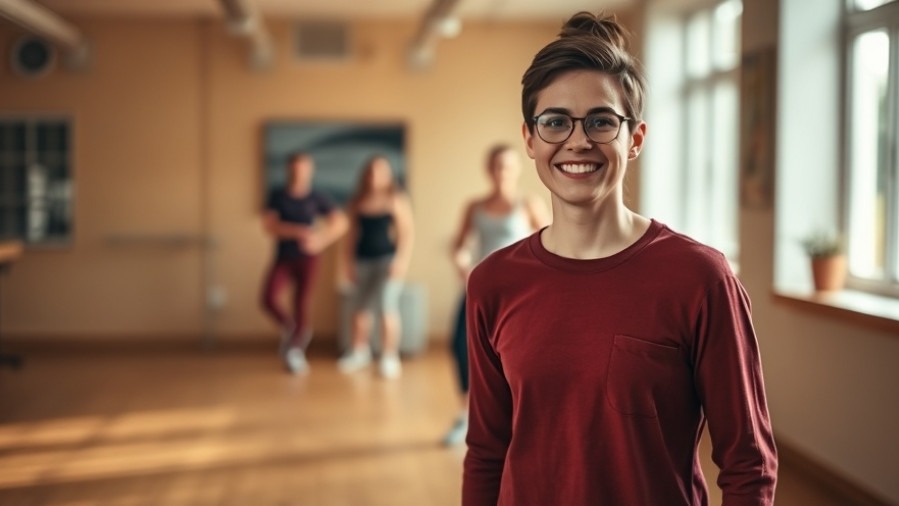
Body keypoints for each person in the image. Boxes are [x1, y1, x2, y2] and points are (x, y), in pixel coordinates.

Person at [462, 12, 778, 505]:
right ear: (530, 138)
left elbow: (748, 464)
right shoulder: (493, 283)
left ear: (634, 139)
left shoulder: (700, 278)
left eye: (601, 121)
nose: (578, 140)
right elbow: (486, 451)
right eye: (555, 122)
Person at [442, 144, 549, 446]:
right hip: (479, 289)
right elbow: (458, 245)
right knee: (460, 346)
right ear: (488, 170)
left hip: (517, 295)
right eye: (496, 166)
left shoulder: (529, 204)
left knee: (512, 356)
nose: (501, 172)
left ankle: (515, 420)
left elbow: (550, 244)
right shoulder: (474, 206)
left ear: (516, 169)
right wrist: (464, 267)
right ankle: (467, 416)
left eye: (506, 166)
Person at [261, 152, 348, 375]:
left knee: (302, 301)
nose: (299, 173)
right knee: (268, 298)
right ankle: (291, 329)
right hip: (284, 255)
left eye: (303, 168)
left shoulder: (316, 197)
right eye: (295, 168)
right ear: (289, 170)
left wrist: (321, 240)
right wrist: (297, 231)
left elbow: (340, 223)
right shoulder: (278, 195)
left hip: (308, 258)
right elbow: (270, 227)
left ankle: (295, 351)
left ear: (310, 170)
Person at [337, 155, 414, 379]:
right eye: (371, 171)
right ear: (365, 174)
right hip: (362, 261)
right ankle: (359, 351)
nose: (374, 176)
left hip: (387, 261)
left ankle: (389, 357)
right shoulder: (357, 202)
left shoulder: (396, 199)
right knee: (359, 308)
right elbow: (350, 235)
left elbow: (406, 234)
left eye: (380, 171)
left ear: (388, 175)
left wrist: (400, 261)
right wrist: (348, 263)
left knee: (386, 307)